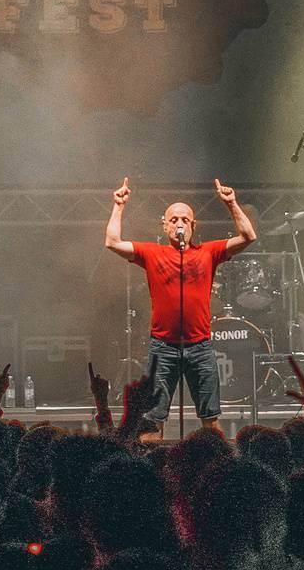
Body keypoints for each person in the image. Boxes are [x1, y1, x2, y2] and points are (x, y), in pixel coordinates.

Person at [104, 176, 256, 438]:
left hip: (200, 346)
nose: (179, 223)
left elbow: (248, 236)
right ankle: (153, 473)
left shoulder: (208, 252)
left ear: (193, 226)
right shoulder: (152, 253)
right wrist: (119, 205)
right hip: (163, 348)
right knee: (153, 420)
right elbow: (113, 243)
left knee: (210, 419)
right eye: (173, 220)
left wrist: (231, 204)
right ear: (164, 226)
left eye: (185, 219)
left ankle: (215, 469)